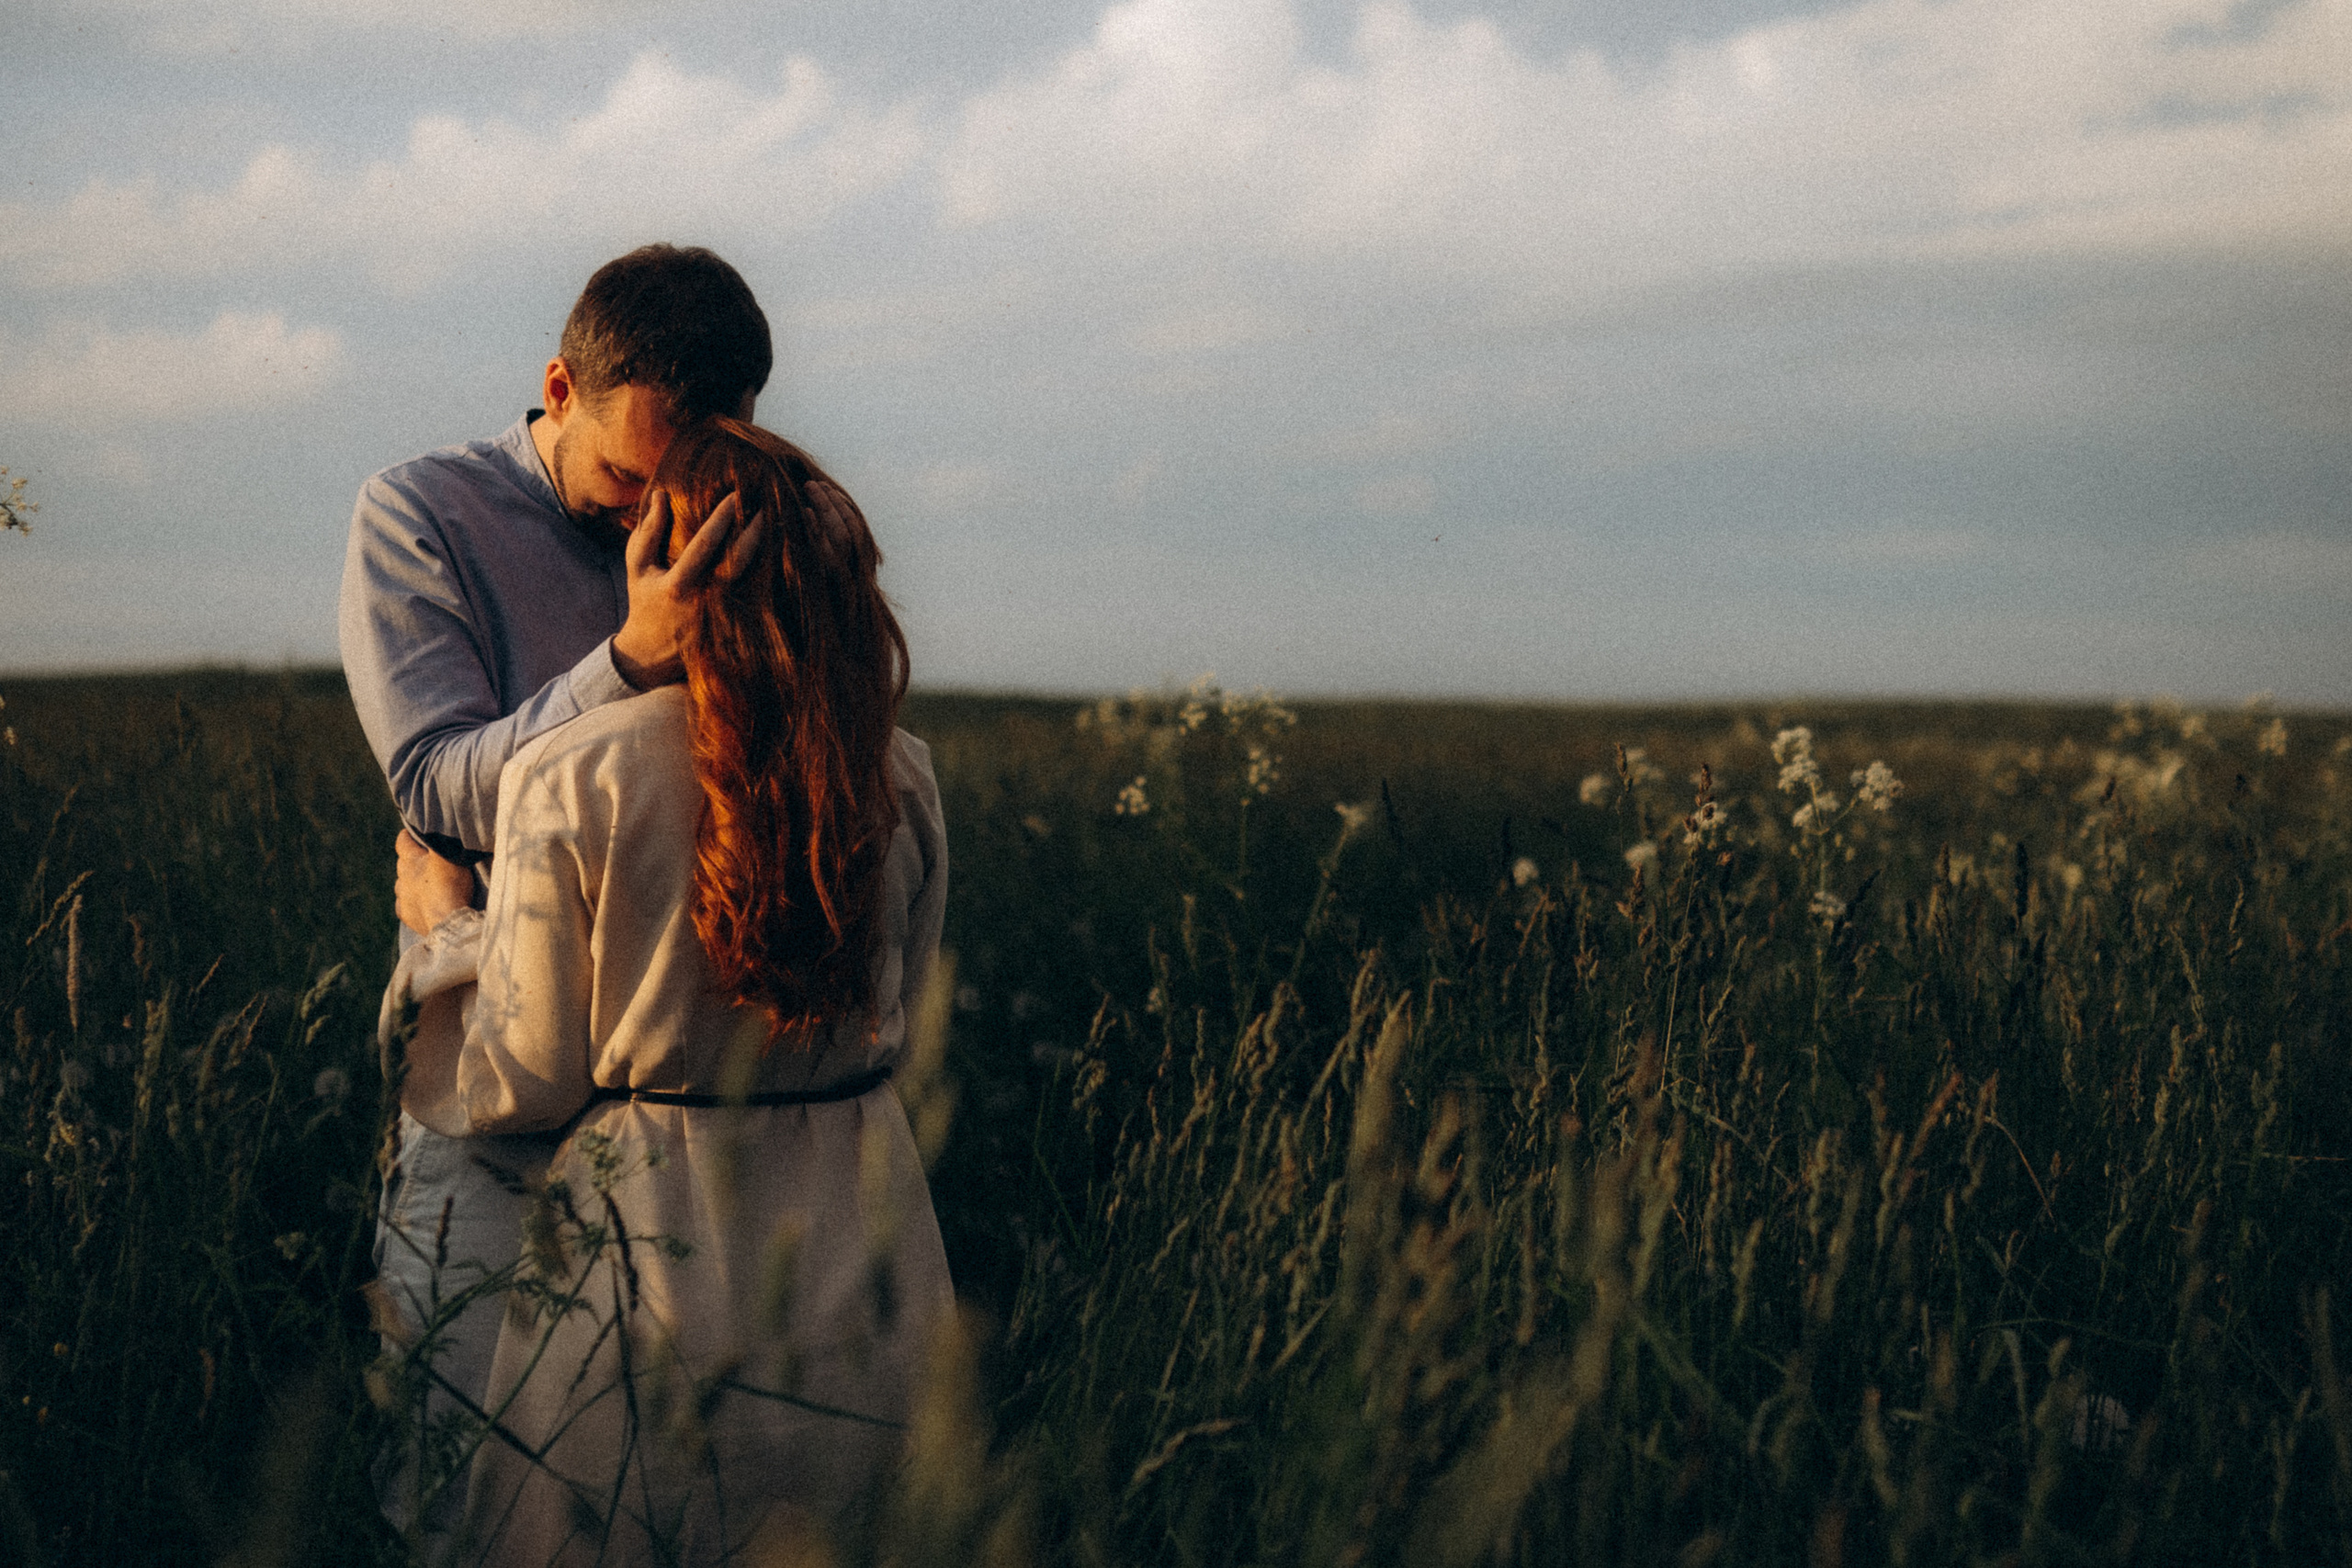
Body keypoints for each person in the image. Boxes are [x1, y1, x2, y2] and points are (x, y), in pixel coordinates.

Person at [340, 244, 846, 1544]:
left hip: (693, 1074)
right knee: (457, 1466)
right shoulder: (420, 514)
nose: (646, 523)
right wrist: (630, 660)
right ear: (558, 386)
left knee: (631, 1491)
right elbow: (436, 785)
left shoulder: (712, 510)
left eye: (670, 484)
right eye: (627, 478)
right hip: (501, 1062)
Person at [382, 419, 952, 1563]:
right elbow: (906, 1011)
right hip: (866, 1215)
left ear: (659, 560)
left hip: (650, 1235)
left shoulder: (575, 769)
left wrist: (444, 928)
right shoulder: (900, 768)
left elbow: (522, 1079)